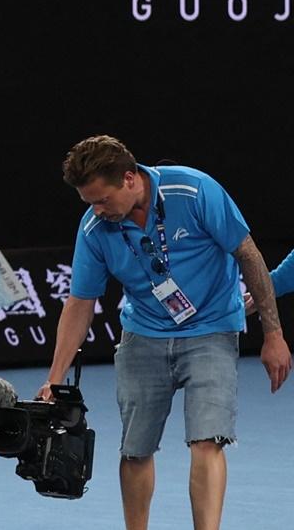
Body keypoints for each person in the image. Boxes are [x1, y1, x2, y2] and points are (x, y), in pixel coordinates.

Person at [39, 135, 291, 530]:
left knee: (207, 440)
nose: (97, 210)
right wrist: (55, 379)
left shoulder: (194, 191)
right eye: (89, 203)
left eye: (102, 200)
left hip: (211, 329)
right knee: (135, 450)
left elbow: (248, 254)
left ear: (129, 178)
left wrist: (273, 334)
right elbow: (80, 303)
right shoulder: (93, 228)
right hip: (143, 335)